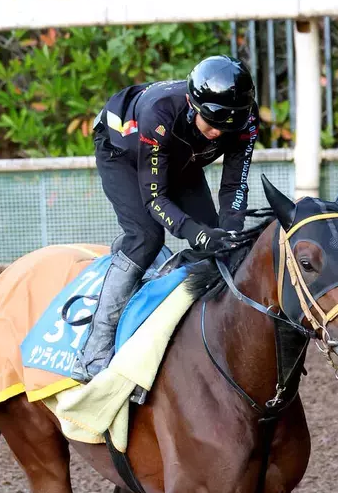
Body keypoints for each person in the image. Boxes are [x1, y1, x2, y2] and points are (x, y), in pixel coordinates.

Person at [71, 54, 259, 382]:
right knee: (146, 237)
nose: (218, 133)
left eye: (228, 127)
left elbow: (234, 185)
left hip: (180, 155)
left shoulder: (247, 120)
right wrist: (194, 232)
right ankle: (93, 354)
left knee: (221, 242)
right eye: (211, 122)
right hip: (123, 149)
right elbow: (155, 199)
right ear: (192, 105)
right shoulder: (159, 113)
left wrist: (228, 233)